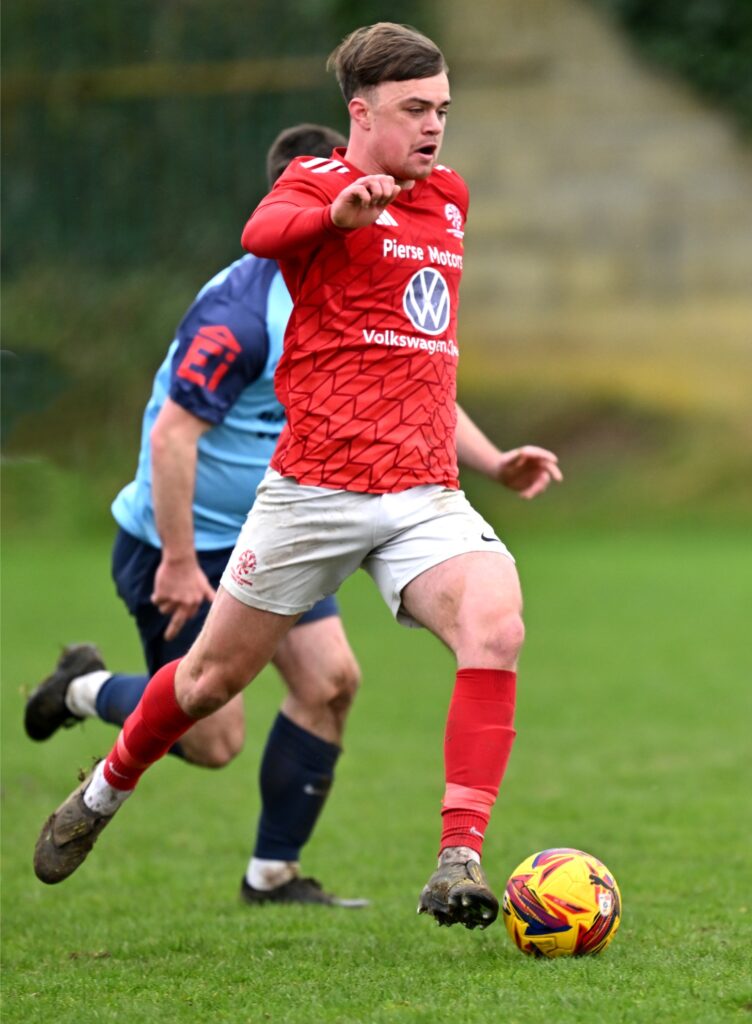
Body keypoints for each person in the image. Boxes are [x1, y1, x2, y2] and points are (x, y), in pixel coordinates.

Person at [33, 23, 563, 932]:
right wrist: (336, 217)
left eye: (442, 109)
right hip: (314, 494)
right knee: (207, 689)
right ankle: (103, 791)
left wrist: (489, 459)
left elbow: (415, 351)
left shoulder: (449, 198)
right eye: (414, 109)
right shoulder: (316, 184)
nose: (434, 126)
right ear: (361, 113)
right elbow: (262, 230)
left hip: (421, 493)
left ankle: (458, 859)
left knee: (497, 624)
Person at [26, 124, 369, 908]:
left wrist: (489, 461)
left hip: (274, 532)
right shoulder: (241, 313)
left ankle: (272, 876)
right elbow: (172, 437)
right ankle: (82, 689)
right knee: (213, 738)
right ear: (291, 205)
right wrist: (179, 563)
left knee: (331, 682)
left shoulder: (352, 288)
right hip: (179, 546)